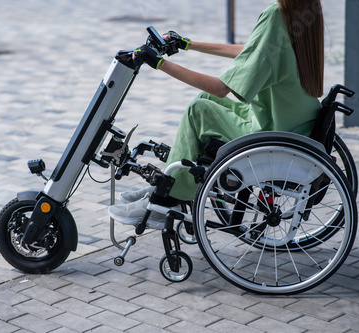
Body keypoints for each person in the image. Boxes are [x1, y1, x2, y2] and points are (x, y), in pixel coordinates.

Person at [109, 0, 325, 227]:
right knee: (205, 100)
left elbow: (221, 88)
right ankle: (169, 184)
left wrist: (159, 63)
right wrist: (187, 44)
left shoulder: (276, 13)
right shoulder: (304, 6)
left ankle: (165, 199)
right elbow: (253, 52)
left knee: (198, 111)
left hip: (273, 134)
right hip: (294, 125)